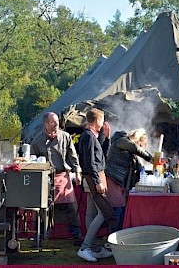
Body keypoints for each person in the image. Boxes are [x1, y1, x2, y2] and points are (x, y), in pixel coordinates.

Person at [30, 112, 83, 244]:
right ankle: (40, 236)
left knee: (71, 207)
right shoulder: (37, 141)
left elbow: (72, 156)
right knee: (42, 208)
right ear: (45, 124)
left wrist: (77, 172)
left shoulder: (65, 137)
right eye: (53, 122)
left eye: (57, 122)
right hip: (45, 179)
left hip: (62, 175)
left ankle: (76, 235)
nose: (56, 124)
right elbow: (31, 160)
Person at [77, 108, 117, 262]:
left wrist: (106, 138)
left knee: (91, 213)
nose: (103, 122)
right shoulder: (87, 136)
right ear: (96, 120)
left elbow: (101, 156)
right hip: (93, 178)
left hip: (95, 176)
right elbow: (89, 162)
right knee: (103, 212)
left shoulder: (92, 136)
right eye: (102, 119)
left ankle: (95, 248)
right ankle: (85, 247)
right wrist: (97, 181)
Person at [105, 128, 153, 230]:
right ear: (137, 140)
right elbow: (135, 148)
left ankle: (119, 235)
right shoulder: (121, 140)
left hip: (118, 180)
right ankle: (113, 239)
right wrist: (151, 159)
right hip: (113, 178)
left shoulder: (127, 149)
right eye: (142, 144)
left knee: (121, 209)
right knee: (117, 210)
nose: (142, 147)